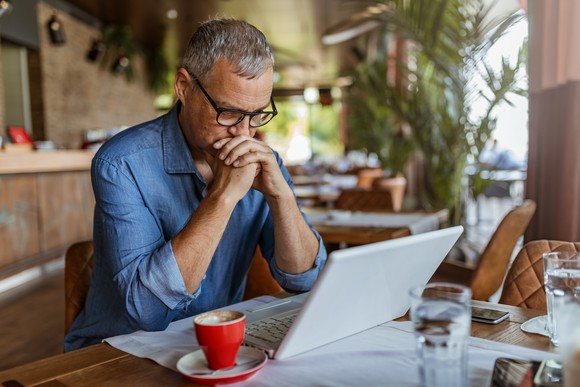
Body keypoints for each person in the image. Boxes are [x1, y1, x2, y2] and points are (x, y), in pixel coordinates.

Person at [64, 18, 327, 351]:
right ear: (184, 87)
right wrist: (224, 196)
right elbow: (148, 311)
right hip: (115, 352)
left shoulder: (262, 160)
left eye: (258, 114)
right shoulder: (121, 163)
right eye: (229, 112)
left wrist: (281, 195)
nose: (244, 133)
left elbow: (305, 279)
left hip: (210, 344)